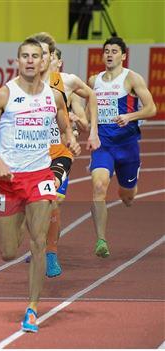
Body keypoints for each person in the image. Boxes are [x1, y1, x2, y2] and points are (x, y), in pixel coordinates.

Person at [0, 38, 79, 333]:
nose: (31, 61)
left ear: (45, 61)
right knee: (8, 252)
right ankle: (18, 220)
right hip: (8, 181)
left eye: (36, 56)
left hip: (40, 177)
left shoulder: (54, 96)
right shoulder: (4, 94)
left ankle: (32, 308)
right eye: (25, 56)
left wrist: (70, 138)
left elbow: (63, 125)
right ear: (18, 61)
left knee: (38, 243)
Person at [29, 33, 99, 278]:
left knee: (54, 200)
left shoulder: (66, 81)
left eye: (45, 53)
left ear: (51, 57)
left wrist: (92, 130)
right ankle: (39, 242)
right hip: (32, 154)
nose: (40, 58)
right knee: (35, 206)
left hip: (60, 152)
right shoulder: (22, 84)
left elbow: (91, 95)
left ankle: (50, 253)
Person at [88, 37, 156, 257]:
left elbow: (151, 109)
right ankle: (100, 240)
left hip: (127, 146)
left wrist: (130, 116)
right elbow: (83, 106)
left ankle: (126, 189)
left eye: (114, 51)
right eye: (106, 51)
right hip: (103, 146)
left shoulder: (132, 78)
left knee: (127, 197)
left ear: (123, 55)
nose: (109, 54)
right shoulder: (93, 81)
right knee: (99, 187)